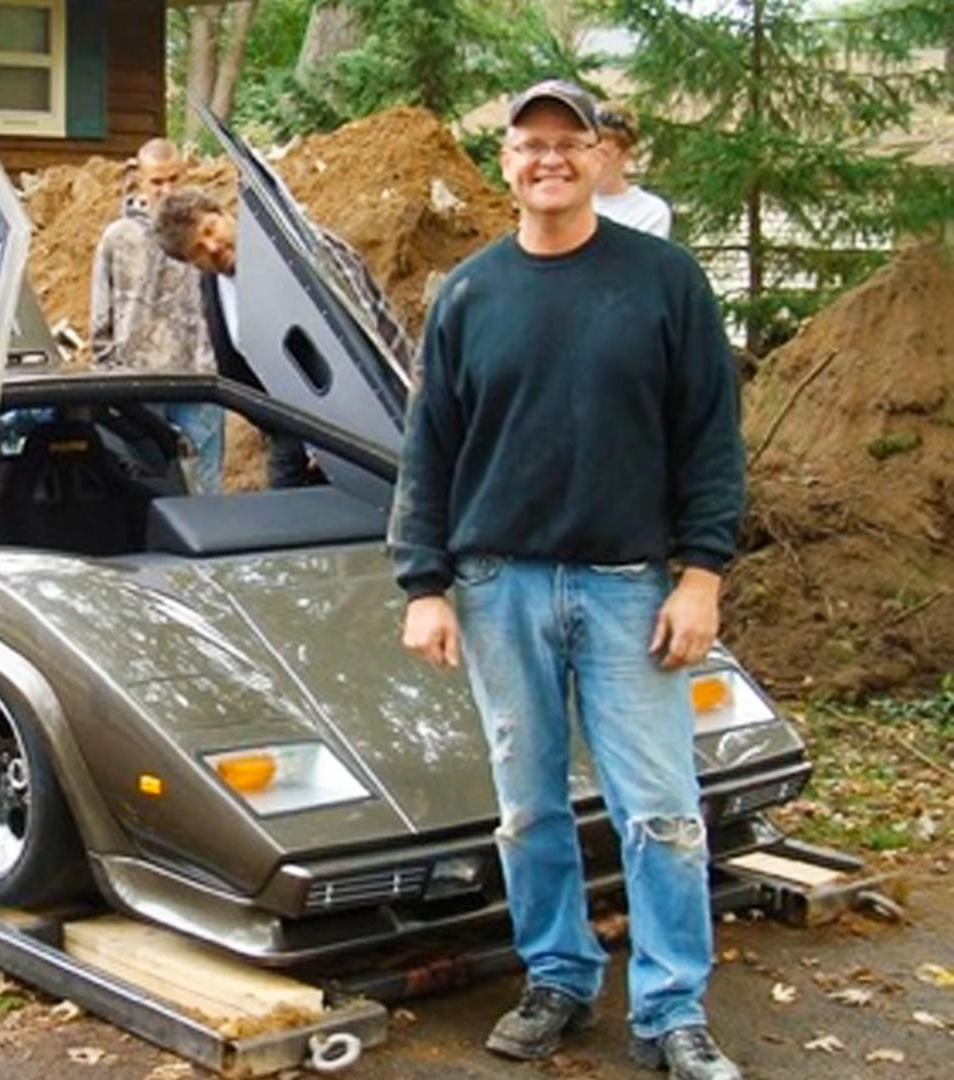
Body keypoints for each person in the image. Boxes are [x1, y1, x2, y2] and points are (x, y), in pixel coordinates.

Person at [390, 80, 745, 1080]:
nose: (550, 158)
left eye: (570, 141)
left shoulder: (664, 282)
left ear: (604, 157)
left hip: (629, 587)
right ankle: (558, 976)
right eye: (530, 143)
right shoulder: (468, 293)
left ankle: (671, 1010)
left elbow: (711, 441)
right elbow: (432, 449)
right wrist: (424, 583)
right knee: (528, 809)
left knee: (662, 812)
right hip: (499, 586)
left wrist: (702, 576)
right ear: (504, 162)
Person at [150, 189, 311, 489]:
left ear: (224, 212)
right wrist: (277, 426)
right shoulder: (210, 285)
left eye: (211, 229)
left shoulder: (289, 254)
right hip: (285, 432)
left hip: (340, 425)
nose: (212, 247)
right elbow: (233, 364)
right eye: (197, 250)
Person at [89, 139, 224, 491]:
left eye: (174, 179)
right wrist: (111, 374)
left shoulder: (207, 234)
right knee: (145, 484)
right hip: (139, 385)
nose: (166, 189)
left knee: (204, 487)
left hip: (198, 382)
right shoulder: (119, 238)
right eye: (157, 181)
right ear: (140, 179)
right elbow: (101, 315)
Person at [592, 100, 673, 239]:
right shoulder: (566, 202)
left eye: (602, 154)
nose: (592, 161)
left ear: (625, 156)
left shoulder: (650, 211)